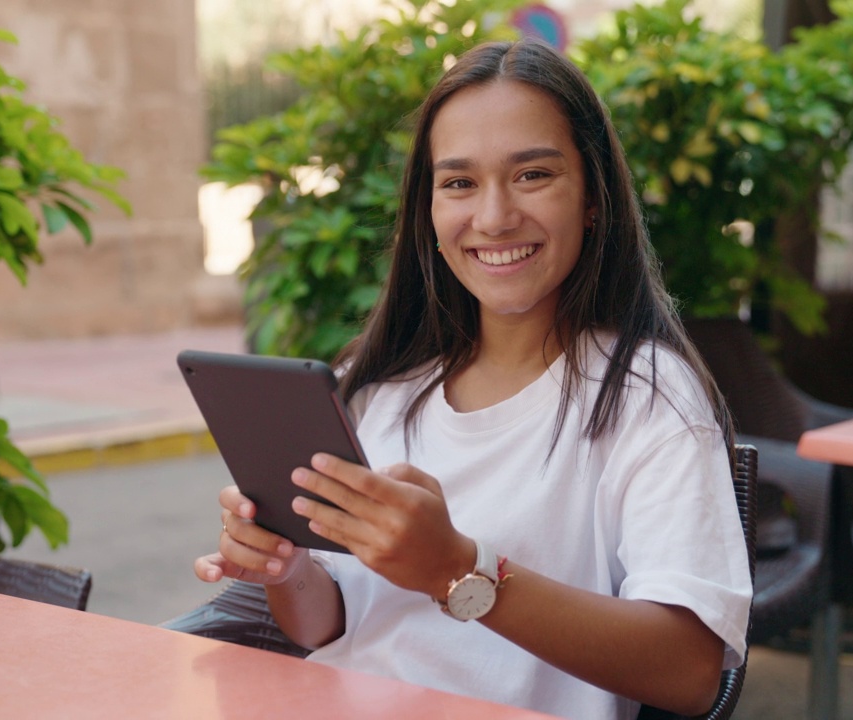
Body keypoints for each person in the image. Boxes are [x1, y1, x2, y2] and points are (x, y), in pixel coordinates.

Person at [195, 38, 752, 720]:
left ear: (594, 199)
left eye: (533, 175)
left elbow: (691, 671)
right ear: (427, 212)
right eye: (459, 183)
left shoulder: (647, 398)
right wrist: (287, 570)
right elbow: (328, 624)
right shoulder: (376, 385)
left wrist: (459, 568)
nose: (492, 218)